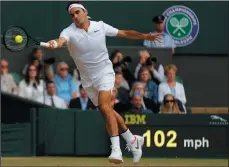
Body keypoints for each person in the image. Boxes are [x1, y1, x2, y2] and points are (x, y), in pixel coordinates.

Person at [44, 2, 161, 164]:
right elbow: (60, 41)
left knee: (106, 108)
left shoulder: (100, 26)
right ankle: (132, 139)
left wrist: (145, 36)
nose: (75, 17)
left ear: (85, 12)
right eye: (72, 15)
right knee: (107, 112)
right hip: (87, 80)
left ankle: (116, 150)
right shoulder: (68, 31)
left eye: (77, 12)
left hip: (105, 74)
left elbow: (125, 33)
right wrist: (54, 43)